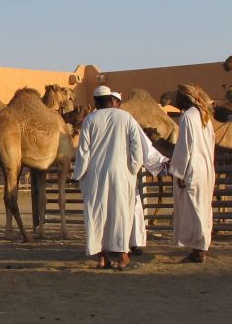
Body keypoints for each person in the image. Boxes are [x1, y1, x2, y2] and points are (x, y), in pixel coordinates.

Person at [72, 85, 145, 270]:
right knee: (121, 213)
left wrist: (79, 175)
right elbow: (137, 146)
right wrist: (133, 168)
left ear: (96, 101)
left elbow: (83, 152)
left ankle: (102, 257)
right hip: (122, 173)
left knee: (97, 215)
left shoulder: (89, 120)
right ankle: (123, 257)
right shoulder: (126, 117)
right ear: (111, 99)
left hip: (95, 175)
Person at [169, 84, 216, 263]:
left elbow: (184, 147)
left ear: (185, 98)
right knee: (203, 207)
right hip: (205, 167)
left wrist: (179, 172)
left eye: (178, 97)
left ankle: (198, 249)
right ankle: (201, 246)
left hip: (193, 169)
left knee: (195, 208)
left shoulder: (188, 117)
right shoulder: (205, 117)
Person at [129, 126, 170, 256]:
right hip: (124, 175)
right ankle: (130, 246)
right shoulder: (127, 120)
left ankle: (110, 250)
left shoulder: (90, 121)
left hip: (101, 176)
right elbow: (144, 146)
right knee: (132, 207)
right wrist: (163, 163)